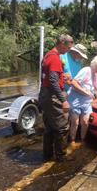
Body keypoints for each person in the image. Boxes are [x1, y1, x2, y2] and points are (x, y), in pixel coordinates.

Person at [38, 34, 73, 162]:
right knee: (62, 127)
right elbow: (52, 81)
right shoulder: (55, 59)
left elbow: (48, 77)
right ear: (62, 44)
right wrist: (63, 101)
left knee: (50, 127)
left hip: (44, 94)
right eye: (68, 48)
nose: (68, 50)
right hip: (52, 96)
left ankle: (47, 155)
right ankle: (61, 156)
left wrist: (61, 77)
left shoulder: (47, 55)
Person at [68, 54, 97, 150]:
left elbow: (96, 88)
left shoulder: (95, 73)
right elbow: (73, 82)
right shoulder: (86, 70)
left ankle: (82, 140)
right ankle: (72, 141)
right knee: (75, 122)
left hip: (86, 101)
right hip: (76, 99)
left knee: (85, 122)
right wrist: (86, 92)